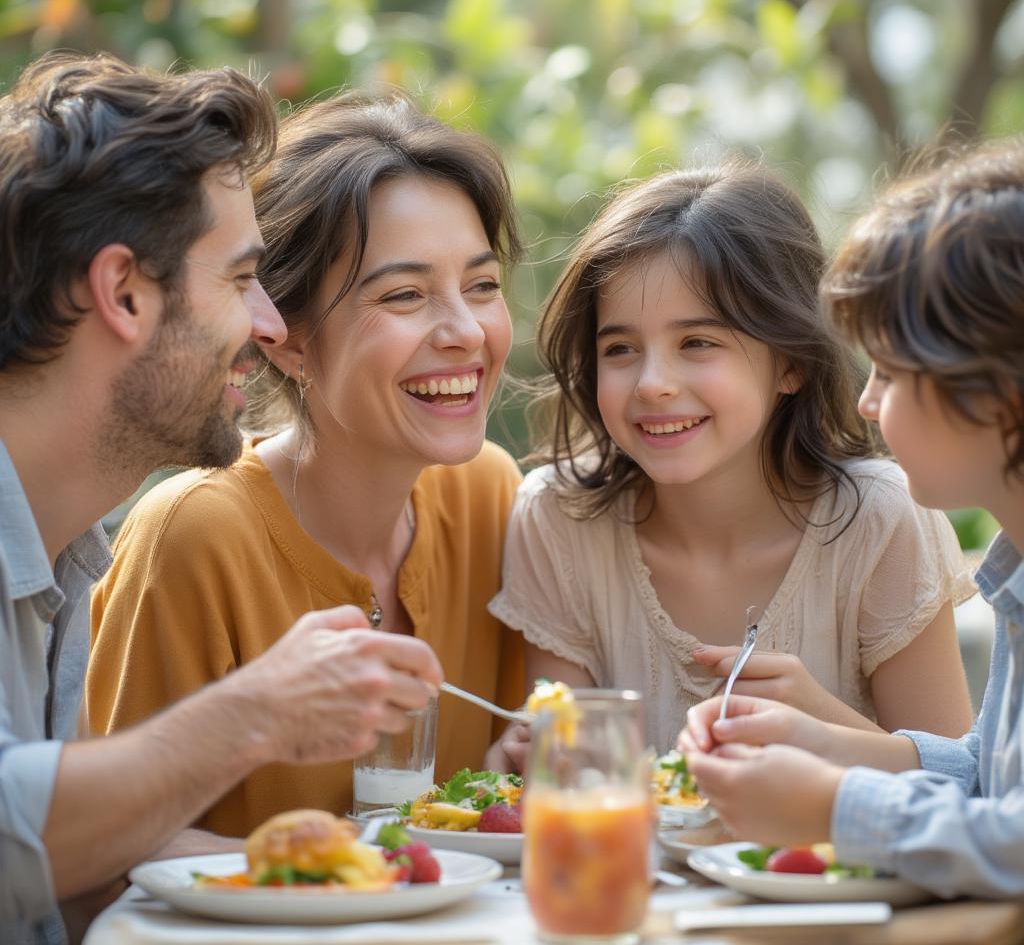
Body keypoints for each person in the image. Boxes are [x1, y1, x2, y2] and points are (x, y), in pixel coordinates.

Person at [0, 54, 444, 945]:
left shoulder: (67, 554)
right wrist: (256, 713)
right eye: (242, 281)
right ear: (123, 292)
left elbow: (71, 872)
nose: (273, 326)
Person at [87, 91, 527, 838]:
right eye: (405, 294)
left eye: (481, 286)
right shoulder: (194, 538)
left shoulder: (491, 494)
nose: (465, 331)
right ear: (285, 338)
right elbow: (107, 844)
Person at [488, 161, 974, 754]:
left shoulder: (880, 519)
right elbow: (564, 772)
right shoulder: (560, 521)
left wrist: (820, 723)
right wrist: (522, 761)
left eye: (698, 342)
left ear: (791, 361)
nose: (652, 383)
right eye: (620, 348)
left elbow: (963, 799)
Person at [679, 140, 1024, 898]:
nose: (868, 403)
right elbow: (999, 784)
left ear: (997, 392)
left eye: (893, 374)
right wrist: (829, 745)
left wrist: (834, 804)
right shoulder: (1014, 579)